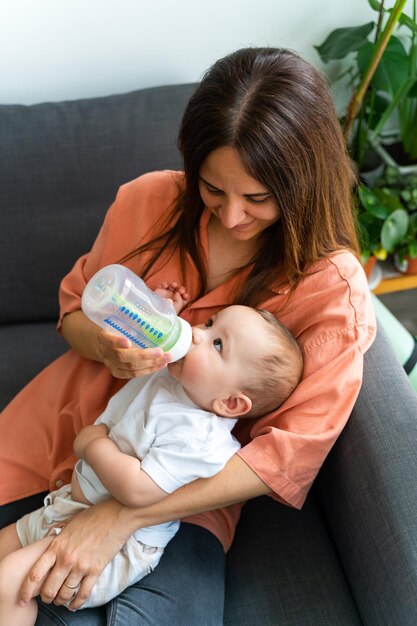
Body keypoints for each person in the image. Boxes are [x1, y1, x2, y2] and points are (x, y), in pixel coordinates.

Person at [0, 46, 376, 624]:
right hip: (63, 427)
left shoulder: (332, 294)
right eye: (212, 189)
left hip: (183, 491)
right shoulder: (149, 200)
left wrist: (125, 516)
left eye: (258, 199)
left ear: (305, 184)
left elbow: (282, 457)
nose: (230, 218)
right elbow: (74, 308)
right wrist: (106, 348)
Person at [0, 291, 303, 622]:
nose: (198, 333)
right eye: (209, 322)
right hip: (70, 505)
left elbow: (139, 490)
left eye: (217, 344)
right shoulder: (180, 381)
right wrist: (158, 316)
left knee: (11, 583)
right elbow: (144, 349)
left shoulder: (199, 438)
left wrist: (92, 445)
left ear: (231, 403)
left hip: (119, 546)